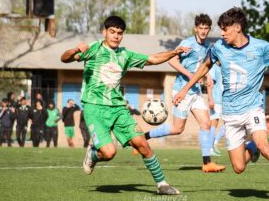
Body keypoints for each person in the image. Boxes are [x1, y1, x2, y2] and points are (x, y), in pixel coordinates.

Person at [173, 7, 269, 201]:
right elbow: (204, 67)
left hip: (252, 108)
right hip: (230, 114)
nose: (221, 33)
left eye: (225, 29)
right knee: (238, 168)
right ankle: (252, 147)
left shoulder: (260, 48)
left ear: (237, 28)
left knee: (265, 145)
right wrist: (185, 89)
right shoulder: (219, 48)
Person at [60, 15, 189, 195]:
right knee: (109, 153)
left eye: (119, 33)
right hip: (94, 109)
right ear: (104, 32)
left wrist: (174, 53)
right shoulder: (93, 49)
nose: (115, 36)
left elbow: (152, 59)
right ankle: (93, 154)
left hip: (119, 109)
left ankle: (162, 185)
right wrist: (75, 49)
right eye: (112, 32)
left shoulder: (124, 55)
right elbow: (64, 59)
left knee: (142, 143)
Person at [144, 14, 225, 172]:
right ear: (196, 28)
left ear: (209, 29)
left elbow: (203, 65)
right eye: (200, 28)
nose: (203, 31)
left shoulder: (207, 46)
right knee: (177, 129)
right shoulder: (187, 43)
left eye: (206, 28)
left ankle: (207, 163)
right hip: (182, 89)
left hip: (195, 92)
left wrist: (207, 75)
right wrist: (190, 76)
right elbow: (172, 60)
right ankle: (145, 137)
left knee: (206, 124)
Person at [207, 64, 224, 156]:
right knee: (214, 123)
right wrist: (210, 99)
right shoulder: (213, 67)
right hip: (216, 100)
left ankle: (215, 142)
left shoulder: (224, 67)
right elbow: (209, 84)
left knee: (228, 123)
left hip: (224, 101)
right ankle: (209, 149)